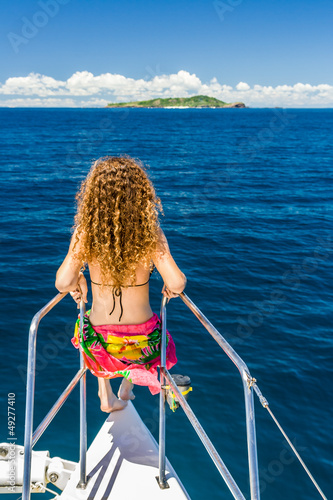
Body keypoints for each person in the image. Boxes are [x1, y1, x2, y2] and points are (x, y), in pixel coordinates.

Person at [55, 156, 186, 412]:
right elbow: (177, 283)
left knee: (86, 324)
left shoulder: (85, 234)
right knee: (156, 332)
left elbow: (62, 282)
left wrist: (79, 278)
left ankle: (105, 394)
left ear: (93, 195)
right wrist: (170, 286)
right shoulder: (151, 233)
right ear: (139, 194)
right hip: (144, 346)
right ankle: (127, 387)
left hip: (102, 350)